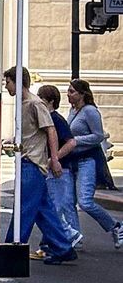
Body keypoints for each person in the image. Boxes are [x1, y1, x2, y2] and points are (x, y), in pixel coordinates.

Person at [2, 67, 75, 263]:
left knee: (24, 208)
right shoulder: (23, 103)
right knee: (44, 210)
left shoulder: (35, 104)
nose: (5, 86)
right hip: (29, 161)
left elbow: (51, 131)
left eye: (7, 82)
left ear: (16, 81)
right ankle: (63, 247)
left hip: (33, 163)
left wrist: (55, 159)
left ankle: (11, 248)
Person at [67, 79, 123, 249]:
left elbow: (98, 136)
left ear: (82, 94)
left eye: (72, 92)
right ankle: (75, 237)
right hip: (73, 160)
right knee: (70, 201)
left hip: (88, 160)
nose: (68, 95)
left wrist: (75, 141)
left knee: (85, 201)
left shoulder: (90, 111)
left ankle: (116, 226)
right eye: (68, 91)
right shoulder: (72, 110)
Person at [36, 85, 82, 250]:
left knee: (53, 207)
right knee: (50, 206)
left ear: (50, 101)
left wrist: (54, 159)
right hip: (55, 168)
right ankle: (50, 243)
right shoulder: (49, 118)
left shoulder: (55, 119)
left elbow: (71, 142)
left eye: (41, 98)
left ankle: (69, 235)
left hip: (59, 170)